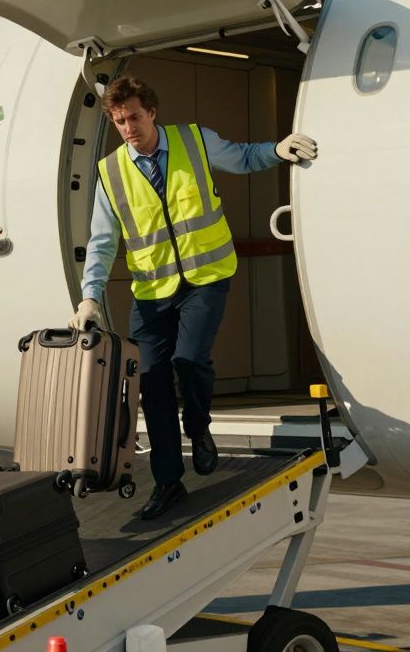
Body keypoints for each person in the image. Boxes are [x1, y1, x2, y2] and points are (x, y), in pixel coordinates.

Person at [66, 75, 319, 520]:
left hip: (206, 277)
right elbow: (102, 243)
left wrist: (277, 150)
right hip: (152, 292)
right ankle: (168, 481)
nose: (128, 128)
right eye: (120, 121)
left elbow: (242, 157)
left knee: (189, 360)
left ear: (152, 112)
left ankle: (199, 427)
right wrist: (89, 298)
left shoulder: (194, 141)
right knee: (152, 383)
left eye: (135, 117)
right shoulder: (110, 172)